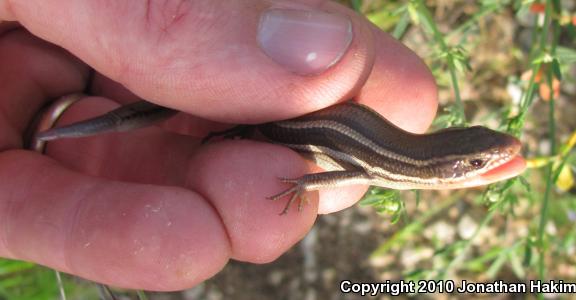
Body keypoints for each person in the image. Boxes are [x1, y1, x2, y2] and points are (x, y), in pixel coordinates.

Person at [0, 0, 447, 291]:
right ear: (439, 167)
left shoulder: (390, 161)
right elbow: (348, 172)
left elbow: (351, 168)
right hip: (274, 118)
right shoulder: (386, 165)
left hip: (286, 118)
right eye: (472, 162)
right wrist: (300, 186)